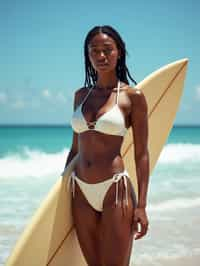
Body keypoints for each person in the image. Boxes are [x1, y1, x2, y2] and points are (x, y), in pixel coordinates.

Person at [65, 25, 149, 266]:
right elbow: (75, 149)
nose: (101, 56)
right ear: (88, 55)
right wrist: (61, 187)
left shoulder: (133, 96)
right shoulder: (81, 96)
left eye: (107, 50)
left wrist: (141, 205)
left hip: (115, 190)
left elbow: (142, 153)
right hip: (79, 189)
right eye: (95, 51)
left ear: (119, 52)